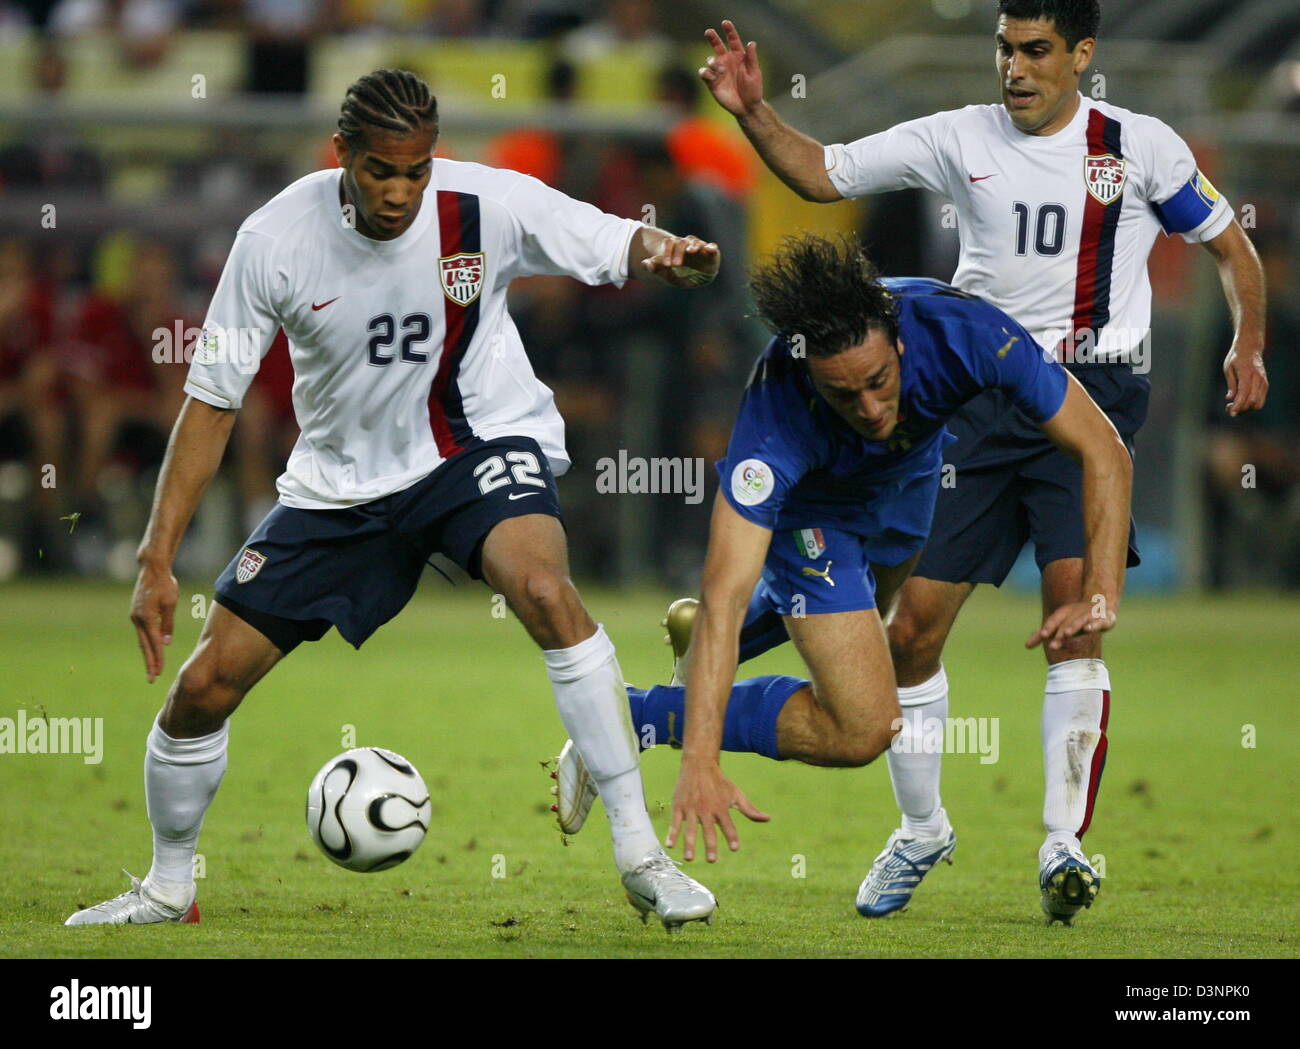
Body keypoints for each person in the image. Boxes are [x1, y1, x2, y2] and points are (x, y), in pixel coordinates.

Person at [65, 68, 722, 933]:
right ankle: (168, 885)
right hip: (340, 485)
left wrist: (663, 250)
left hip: (474, 442)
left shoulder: (481, 204)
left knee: (542, 589)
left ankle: (642, 857)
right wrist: (156, 557)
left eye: (417, 170)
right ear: (341, 154)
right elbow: (213, 402)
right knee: (202, 688)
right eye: (381, 169)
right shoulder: (273, 239)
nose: (402, 191)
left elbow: (599, 235)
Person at [693, 2, 1268, 922]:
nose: (1015, 67)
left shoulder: (1142, 145)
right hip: (975, 391)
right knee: (912, 629)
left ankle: (1062, 843)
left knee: (1077, 621)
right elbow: (823, 174)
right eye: (1004, 48)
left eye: (1036, 51)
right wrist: (754, 113)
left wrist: (1249, 342)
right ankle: (922, 829)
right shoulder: (955, 137)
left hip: (1094, 394)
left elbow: (1231, 248)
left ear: (1080, 55)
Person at [553, 232, 1133, 925]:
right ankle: (642, 715)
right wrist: (699, 758)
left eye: (878, 381)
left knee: (882, 627)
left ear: (900, 341)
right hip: (814, 515)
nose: (867, 406)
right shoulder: (773, 420)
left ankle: (743, 640)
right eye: (842, 392)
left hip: (910, 489)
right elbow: (722, 590)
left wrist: (1100, 592)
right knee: (864, 728)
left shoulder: (964, 330)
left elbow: (1103, 447)